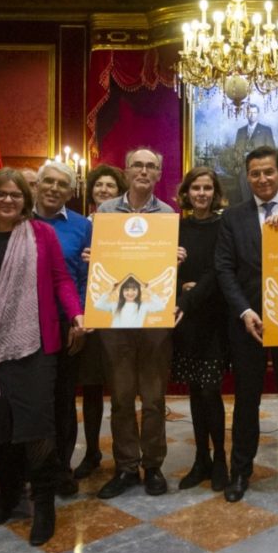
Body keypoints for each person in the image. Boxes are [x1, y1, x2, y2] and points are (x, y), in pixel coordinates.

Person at [0, 167, 84, 546]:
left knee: (37, 427)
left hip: (35, 346)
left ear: (26, 199)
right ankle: (8, 494)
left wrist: (75, 312)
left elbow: (61, 278)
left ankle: (43, 504)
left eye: (15, 195)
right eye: (0, 194)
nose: (8, 200)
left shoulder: (41, 234)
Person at [215, 145, 278, 503]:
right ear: (247, 176)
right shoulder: (233, 217)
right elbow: (224, 269)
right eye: (255, 173)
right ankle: (240, 471)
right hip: (248, 322)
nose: (262, 179)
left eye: (268, 172)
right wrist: (244, 311)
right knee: (246, 399)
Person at [92, 148, 178, 499]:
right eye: (138, 165)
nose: (144, 171)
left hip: (154, 320)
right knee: (123, 398)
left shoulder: (168, 214)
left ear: (159, 174)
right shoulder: (105, 212)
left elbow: (165, 272)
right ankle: (126, 467)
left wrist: (177, 258)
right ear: (126, 171)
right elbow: (100, 265)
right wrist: (92, 253)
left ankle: (153, 465)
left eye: (151, 166)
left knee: (155, 399)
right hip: (116, 318)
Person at [32, 160, 92, 497]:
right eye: (49, 182)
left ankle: (61, 467)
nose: (54, 189)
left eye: (62, 185)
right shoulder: (19, 220)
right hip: (25, 326)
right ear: (38, 185)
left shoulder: (83, 226)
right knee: (31, 401)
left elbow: (86, 276)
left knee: (63, 400)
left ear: (71, 192)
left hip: (67, 324)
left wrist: (79, 319)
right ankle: (32, 467)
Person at [69, 164, 129, 479]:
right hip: (89, 312)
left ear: (119, 192)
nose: (104, 190)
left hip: (122, 312)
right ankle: (92, 451)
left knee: (122, 390)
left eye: (110, 186)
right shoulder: (80, 225)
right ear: (91, 191)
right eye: (99, 186)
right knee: (91, 388)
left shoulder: (132, 225)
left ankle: (127, 458)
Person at [173, 167, 230, 491]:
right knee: (195, 391)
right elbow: (161, 267)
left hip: (213, 318)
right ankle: (201, 459)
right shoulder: (176, 227)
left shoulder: (224, 226)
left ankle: (220, 458)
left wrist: (192, 293)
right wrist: (182, 284)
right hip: (186, 319)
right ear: (187, 192)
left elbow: (220, 268)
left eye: (208, 188)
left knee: (211, 391)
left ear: (215, 192)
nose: (202, 193)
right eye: (196, 188)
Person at [234, 104, 275, 202]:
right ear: (246, 114)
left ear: (258, 114)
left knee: (260, 200)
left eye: (254, 112)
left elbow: (271, 151)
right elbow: (236, 151)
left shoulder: (266, 130)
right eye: (249, 112)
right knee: (245, 200)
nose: (252, 115)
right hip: (243, 171)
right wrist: (238, 167)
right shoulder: (240, 131)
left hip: (261, 171)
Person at [94, 275, 166, 327]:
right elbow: (97, 305)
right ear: (122, 291)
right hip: (116, 336)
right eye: (127, 290)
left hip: (137, 336)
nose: (130, 293)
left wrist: (149, 290)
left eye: (134, 290)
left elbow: (161, 306)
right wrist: (111, 290)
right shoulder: (115, 305)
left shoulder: (143, 306)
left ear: (138, 291)